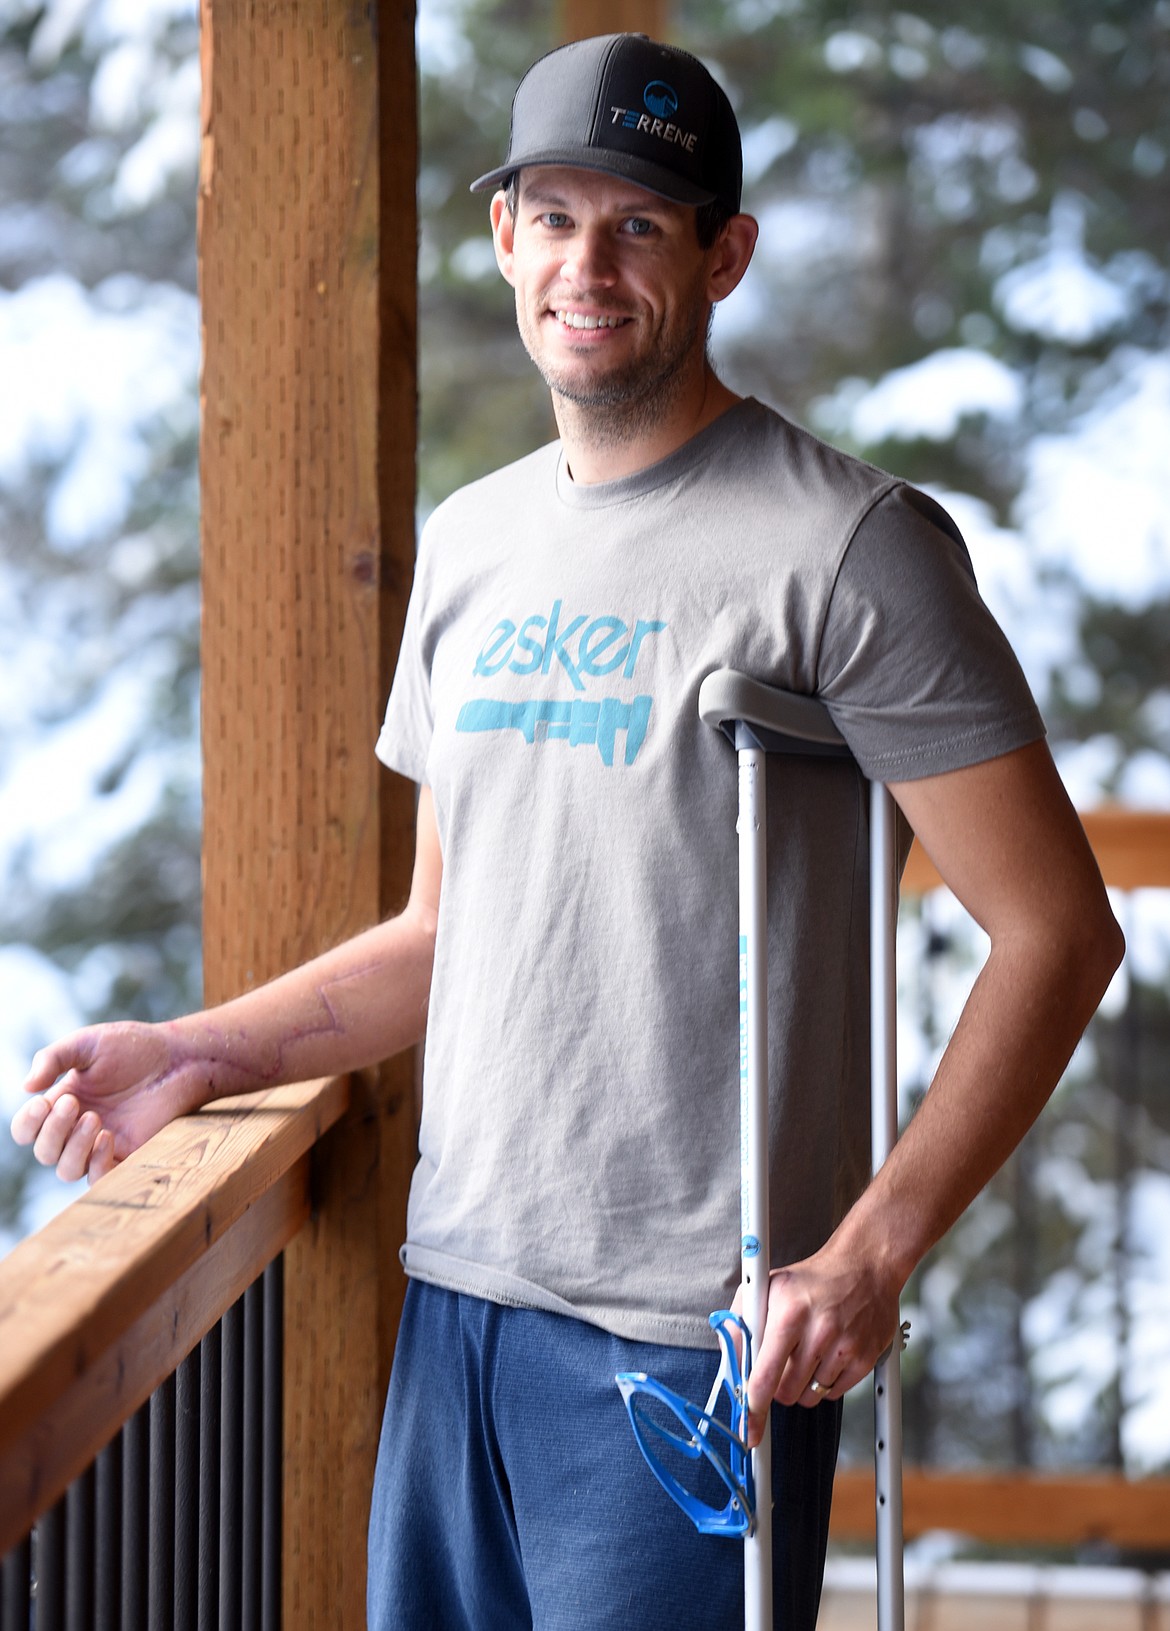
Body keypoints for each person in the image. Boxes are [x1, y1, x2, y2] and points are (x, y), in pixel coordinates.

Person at [11, 32, 1123, 1631]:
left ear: (721, 255)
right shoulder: (473, 546)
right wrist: (199, 1052)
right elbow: (440, 934)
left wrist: (870, 1256)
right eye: (551, 216)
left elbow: (1056, 932)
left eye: (640, 226)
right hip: (457, 1302)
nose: (584, 265)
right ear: (504, 237)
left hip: (695, 1345)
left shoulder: (852, 548)